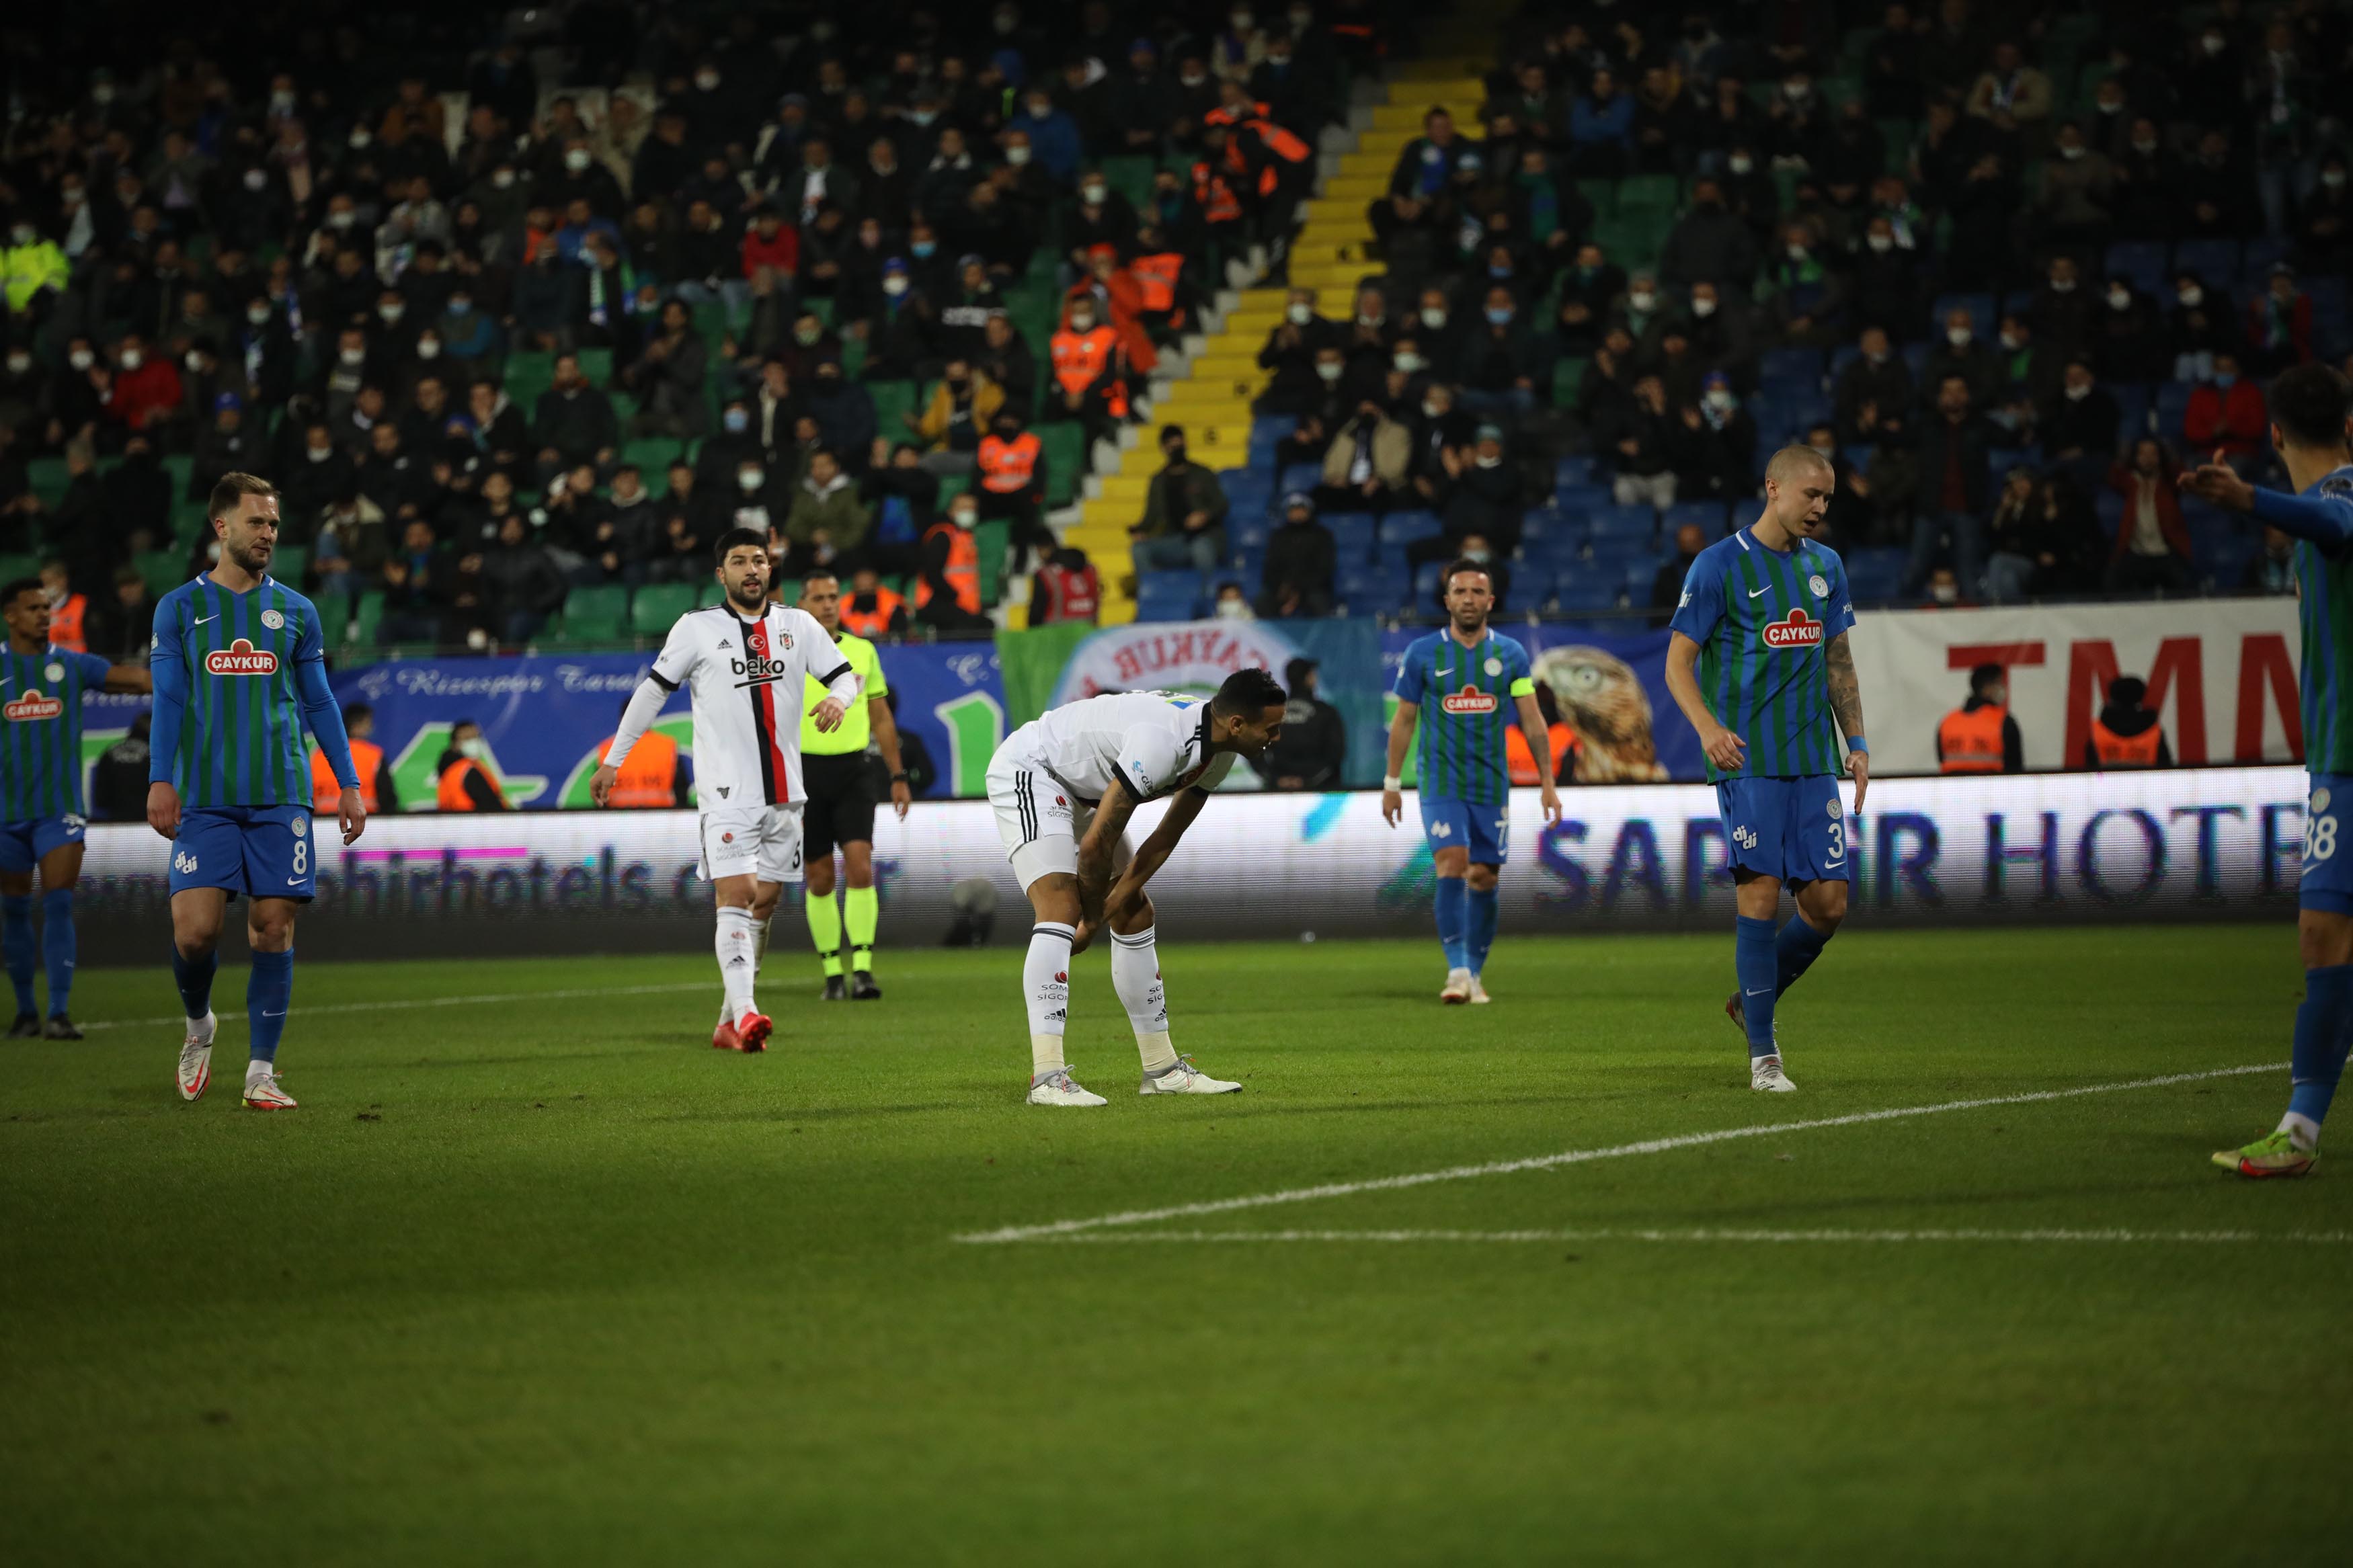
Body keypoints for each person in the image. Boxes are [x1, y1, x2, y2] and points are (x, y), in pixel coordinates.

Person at [590, 530, 859, 1055]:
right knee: (736, 895)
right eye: (739, 561)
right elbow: (652, 693)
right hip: (726, 791)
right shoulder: (696, 628)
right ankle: (748, 1013)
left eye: (758, 560)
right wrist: (613, 760)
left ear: (769, 568)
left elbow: (843, 677)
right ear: (723, 575)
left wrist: (840, 701)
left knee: (766, 901)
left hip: (786, 794)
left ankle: (726, 1023)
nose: (751, 569)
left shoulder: (798, 625)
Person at [2182, 364, 2353, 1176]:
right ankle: (2299, 1133)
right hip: (2337, 759)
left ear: (2274, 434)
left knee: (2323, 936)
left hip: (2350, 762)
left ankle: (2298, 1129)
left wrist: (2249, 501)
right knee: (2322, 936)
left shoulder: (2341, 499)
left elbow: (2332, 526)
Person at [149, 474, 366, 1111]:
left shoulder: (297, 610)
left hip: (281, 795)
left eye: (273, 523)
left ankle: (261, 1072)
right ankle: (199, 1026)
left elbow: (320, 701)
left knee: (273, 928)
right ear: (222, 527)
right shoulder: (179, 608)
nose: (269, 533)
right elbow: (167, 700)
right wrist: (161, 777)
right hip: (205, 797)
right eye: (257, 523)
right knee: (195, 935)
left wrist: (348, 783)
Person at [1663, 446, 1870, 1093]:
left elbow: (1838, 660)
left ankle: (1748, 999)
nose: (1820, 508)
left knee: (1828, 905)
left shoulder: (1826, 566)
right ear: (1773, 488)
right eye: (1811, 495)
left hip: (1813, 762)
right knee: (1760, 891)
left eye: (1828, 498)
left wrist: (1856, 740)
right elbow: (1677, 663)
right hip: (1747, 759)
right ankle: (1764, 1056)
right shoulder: (1719, 564)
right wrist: (1708, 729)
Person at [982, 670, 1285, 1106]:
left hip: (1083, 788)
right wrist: (1088, 919)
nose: (1275, 737)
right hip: (1034, 768)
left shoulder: (1219, 751)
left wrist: (1106, 910)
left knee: (1135, 911)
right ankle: (1047, 1077)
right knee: (1060, 907)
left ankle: (1162, 1070)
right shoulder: (1164, 743)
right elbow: (1094, 847)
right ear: (1237, 723)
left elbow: (1163, 840)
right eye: (1270, 728)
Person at [1381, 560, 1564, 1004]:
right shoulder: (1423, 653)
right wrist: (1391, 781)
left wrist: (1547, 781)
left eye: (1476, 592)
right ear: (1446, 600)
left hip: (1490, 782)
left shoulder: (1513, 656)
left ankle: (1475, 972)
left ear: (1490, 601)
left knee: (1485, 875)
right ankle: (1457, 970)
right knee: (1452, 862)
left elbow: (1533, 720)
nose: (1468, 599)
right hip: (1440, 779)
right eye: (1459, 591)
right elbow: (1405, 718)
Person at [0, 577, 151, 1037]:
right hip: (6, 812)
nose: (45, 615)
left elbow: (136, 678)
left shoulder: (69, 664)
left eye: (47, 607)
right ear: (10, 616)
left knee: (60, 900)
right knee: (14, 910)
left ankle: (59, 1013)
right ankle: (26, 1011)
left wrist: (182, 671)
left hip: (58, 809)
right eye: (33, 608)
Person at [792, 570, 914, 1003]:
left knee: (861, 865)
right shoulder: (789, 654)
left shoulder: (862, 651)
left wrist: (898, 776)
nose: (827, 604)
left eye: (832, 596)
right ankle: (831, 973)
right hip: (803, 776)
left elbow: (881, 717)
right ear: (801, 605)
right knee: (819, 876)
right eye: (818, 597)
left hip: (855, 772)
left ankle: (862, 968)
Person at [1260, 656, 1346, 790]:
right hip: (1321, 796)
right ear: (1309, 678)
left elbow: (1253, 751)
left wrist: (1278, 780)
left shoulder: (1271, 714)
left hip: (1278, 796)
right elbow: (1336, 755)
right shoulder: (1326, 712)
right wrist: (1308, 781)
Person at [591, 696, 690, 809]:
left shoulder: (607, 749)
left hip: (618, 821)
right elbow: (682, 791)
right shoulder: (667, 747)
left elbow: (599, 796)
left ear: (622, 719)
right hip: (660, 820)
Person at [311, 701, 399, 814]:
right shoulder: (374, 756)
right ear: (356, 726)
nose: (371, 729)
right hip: (364, 824)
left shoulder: (318, 756)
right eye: (368, 724)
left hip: (322, 824)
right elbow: (387, 798)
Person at [1936, 663, 2022, 774]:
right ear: (1987, 688)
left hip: (1952, 790)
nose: (2003, 689)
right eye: (1999, 684)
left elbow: (1942, 760)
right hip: (1993, 790)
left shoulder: (1947, 722)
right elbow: (2016, 772)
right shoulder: (2005, 722)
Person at [2081, 675, 2171, 770]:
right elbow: (2166, 768)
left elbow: (2089, 767)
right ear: (2140, 698)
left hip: (2106, 784)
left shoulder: (2097, 730)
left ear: (2112, 698)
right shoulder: (2154, 731)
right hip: (2146, 784)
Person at [434, 720, 510, 811]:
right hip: (474, 822)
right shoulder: (467, 770)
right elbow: (490, 806)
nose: (474, 742)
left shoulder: (447, 771)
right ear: (455, 744)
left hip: (453, 822)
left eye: (477, 737)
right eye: (467, 738)